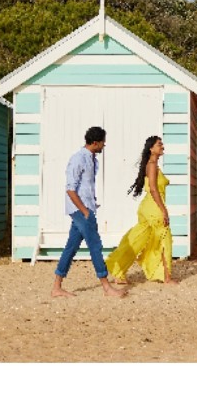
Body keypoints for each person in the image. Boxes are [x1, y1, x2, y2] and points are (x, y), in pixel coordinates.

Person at [52, 126, 126, 299]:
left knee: (71, 247)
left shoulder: (92, 159)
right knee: (95, 245)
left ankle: (56, 287)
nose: (104, 146)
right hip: (80, 210)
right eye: (102, 143)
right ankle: (107, 287)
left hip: (87, 208)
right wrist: (84, 211)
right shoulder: (78, 159)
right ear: (95, 143)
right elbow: (70, 189)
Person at [104, 134, 179, 287]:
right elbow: (153, 189)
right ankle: (167, 278)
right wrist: (163, 210)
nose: (162, 146)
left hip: (148, 207)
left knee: (137, 239)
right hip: (154, 208)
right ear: (151, 148)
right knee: (165, 241)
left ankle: (118, 270)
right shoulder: (151, 165)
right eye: (159, 144)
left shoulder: (153, 165)